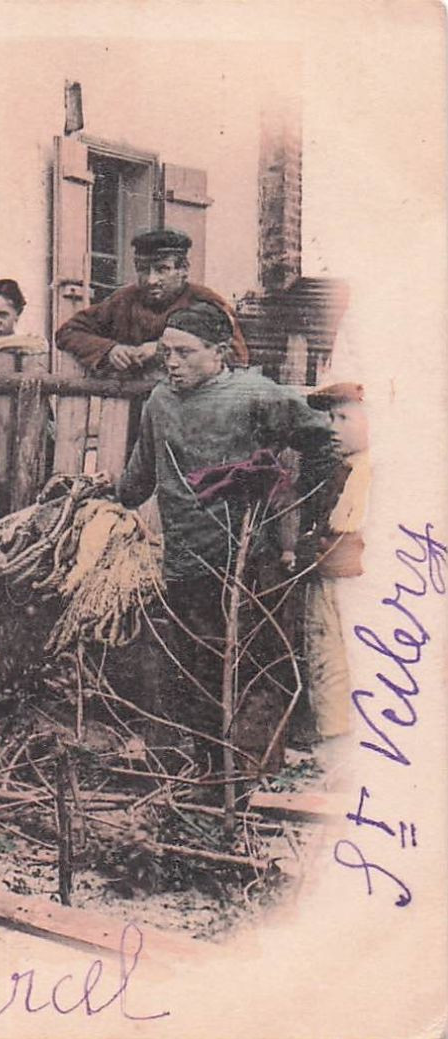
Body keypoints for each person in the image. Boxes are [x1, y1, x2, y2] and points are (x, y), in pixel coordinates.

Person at [117, 301, 337, 780]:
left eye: (184, 352)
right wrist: (106, 500)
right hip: (185, 560)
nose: (171, 363)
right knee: (195, 667)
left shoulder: (254, 395)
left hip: (250, 559)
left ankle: (251, 776)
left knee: (255, 665)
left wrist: (303, 505)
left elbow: (321, 440)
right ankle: (208, 773)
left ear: (219, 352)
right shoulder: (159, 402)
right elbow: (137, 482)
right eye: (165, 353)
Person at [56, 229, 249, 375]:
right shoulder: (123, 299)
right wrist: (109, 349)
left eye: (162, 269)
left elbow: (236, 356)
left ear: (183, 270)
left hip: (188, 409)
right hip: (125, 410)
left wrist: (159, 350)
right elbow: (68, 332)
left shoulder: (204, 301)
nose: (151, 280)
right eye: (142, 269)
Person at [296, 381, 370, 743]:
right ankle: (334, 745)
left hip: (357, 589)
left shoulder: (382, 473)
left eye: (343, 418)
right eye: (331, 417)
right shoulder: (344, 469)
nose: (332, 427)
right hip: (330, 583)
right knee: (325, 661)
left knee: (350, 665)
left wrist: (324, 551)